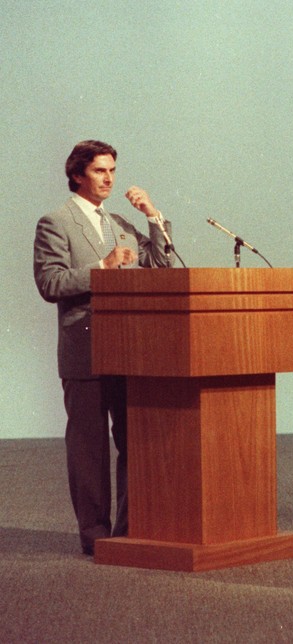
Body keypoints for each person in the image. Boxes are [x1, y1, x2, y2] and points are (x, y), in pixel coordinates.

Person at [33, 140, 174, 555]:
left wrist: (153, 216)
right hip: (86, 350)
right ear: (77, 174)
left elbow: (160, 265)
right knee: (89, 449)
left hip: (129, 350)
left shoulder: (119, 221)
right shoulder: (55, 222)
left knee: (135, 441)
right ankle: (95, 538)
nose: (109, 178)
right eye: (99, 171)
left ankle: (130, 530)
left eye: (112, 170)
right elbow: (50, 283)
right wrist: (103, 267)